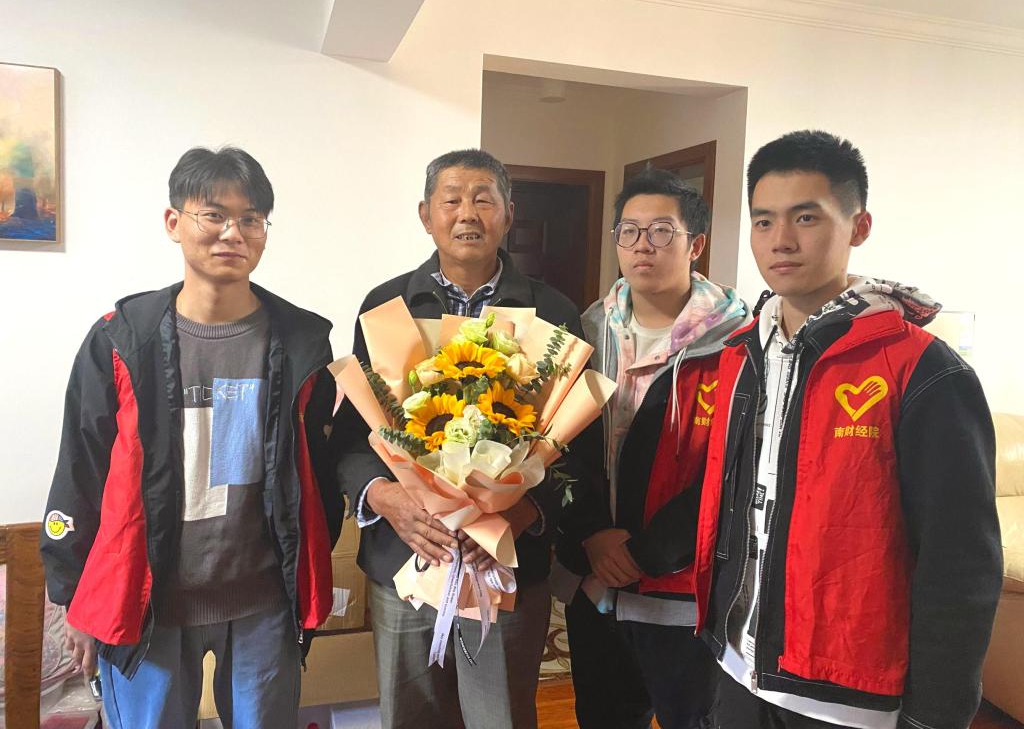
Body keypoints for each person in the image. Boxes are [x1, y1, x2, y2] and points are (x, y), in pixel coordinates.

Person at [693, 130, 1003, 729]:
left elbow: (961, 559)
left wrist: (936, 713)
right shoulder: (739, 354)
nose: (781, 240)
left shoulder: (921, 369)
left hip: (848, 695)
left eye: (806, 217)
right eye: (763, 221)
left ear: (859, 227)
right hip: (737, 666)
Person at [40, 147, 341, 729]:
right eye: (214, 215)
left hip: (263, 602)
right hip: (146, 600)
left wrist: (309, 574)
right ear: (174, 221)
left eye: (251, 219)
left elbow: (316, 473)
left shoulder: (302, 342)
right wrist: (73, 594)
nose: (233, 232)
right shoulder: (121, 340)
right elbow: (80, 470)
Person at [334, 148, 598, 729]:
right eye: (451, 200)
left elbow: (577, 446)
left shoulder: (553, 312)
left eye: (484, 199)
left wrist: (523, 512)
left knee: (500, 716)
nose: (467, 214)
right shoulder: (385, 307)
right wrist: (386, 497)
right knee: (410, 715)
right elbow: (353, 436)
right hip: (407, 557)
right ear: (425, 215)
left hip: (503, 562)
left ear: (509, 214)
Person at [554, 168, 749, 729]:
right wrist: (592, 533)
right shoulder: (582, 334)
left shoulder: (736, 343)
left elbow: (732, 470)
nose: (643, 244)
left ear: (696, 244)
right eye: (629, 230)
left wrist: (646, 552)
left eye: (662, 231)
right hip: (595, 580)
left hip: (684, 590)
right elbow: (557, 446)